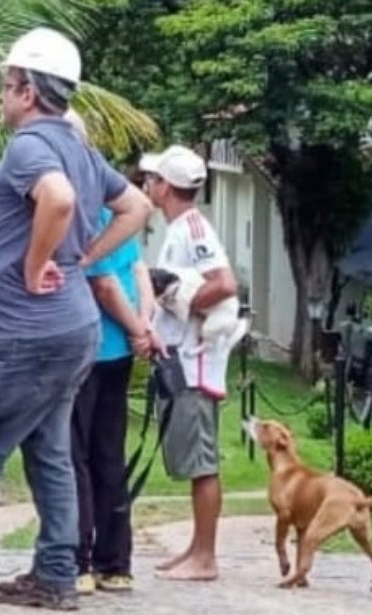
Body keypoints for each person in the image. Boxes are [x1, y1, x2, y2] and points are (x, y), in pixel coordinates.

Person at [0, 28, 152, 613]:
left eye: (6, 86)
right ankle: (56, 574)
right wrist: (82, 257)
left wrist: (39, 263)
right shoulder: (80, 149)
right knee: (48, 449)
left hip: (29, 332)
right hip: (69, 329)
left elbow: (58, 200)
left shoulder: (32, 145)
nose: (1, 98)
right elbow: (135, 206)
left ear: (28, 92)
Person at [63, 110, 158, 595]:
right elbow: (140, 272)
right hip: (120, 347)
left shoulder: (82, 211)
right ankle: (114, 561)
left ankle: (79, 559)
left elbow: (103, 283)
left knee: (76, 454)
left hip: (92, 346)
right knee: (108, 452)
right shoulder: (117, 206)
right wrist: (145, 326)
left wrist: (138, 326)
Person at [141, 145, 240, 582]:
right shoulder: (180, 228)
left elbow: (225, 284)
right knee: (192, 456)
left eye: (153, 179)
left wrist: (185, 305)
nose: (148, 185)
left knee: (202, 459)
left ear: (165, 185)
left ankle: (206, 556)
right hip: (183, 356)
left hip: (197, 360)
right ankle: (197, 548)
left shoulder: (193, 229)